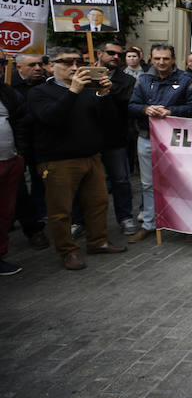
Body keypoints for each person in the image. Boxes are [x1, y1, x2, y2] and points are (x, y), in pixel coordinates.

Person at [28, 47, 126, 269]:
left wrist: (103, 95)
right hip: (58, 161)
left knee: (99, 203)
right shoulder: (39, 92)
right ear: (50, 66)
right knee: (61, 209)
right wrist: (73, 91)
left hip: (91, 157)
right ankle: (68, 250)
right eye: (67, 62)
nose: (74, 67)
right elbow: (51, 118)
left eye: (78, 62)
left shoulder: (87, 90)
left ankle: (98, 242)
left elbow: (109, 121)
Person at [128, 44, 192, 243]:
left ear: (173, 59)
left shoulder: (188, 79)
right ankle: (149, 223)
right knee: (148, 183)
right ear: (151, 59)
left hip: (177, 141)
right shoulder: (143, 80)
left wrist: (171, 112)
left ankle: (186, 225)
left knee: (181, 182)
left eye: (166, 58)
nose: (161, 62)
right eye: (157, 58)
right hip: (146, 137)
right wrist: (145, 109)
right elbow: (132, 105)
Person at [73, 42, 138, 235]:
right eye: (111, 53)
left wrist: (108, 91)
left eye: (120, 54)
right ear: (99, 53)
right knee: (82, 182)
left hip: (114, 139)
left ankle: (125, 218)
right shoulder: (82, 76)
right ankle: (78, 220)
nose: (116, 57)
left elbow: (127, 104)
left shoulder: (126, 80)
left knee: (120, 181)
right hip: (85, 139)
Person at [11, 54, 49, 249]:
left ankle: (36, 221)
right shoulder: (9, 86)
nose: (37, 68)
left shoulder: (43, 85)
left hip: (36, 143)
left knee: (38, 180)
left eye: (40, 64)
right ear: (18, 67)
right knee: (17, 190)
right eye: (32, 65)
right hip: (16, 147)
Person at [0, 50, 26, 274]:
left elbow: (19, 121)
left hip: (9, 160)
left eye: (1, 62)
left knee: (5, 212)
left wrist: (19, 153)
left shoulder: (7, 92)